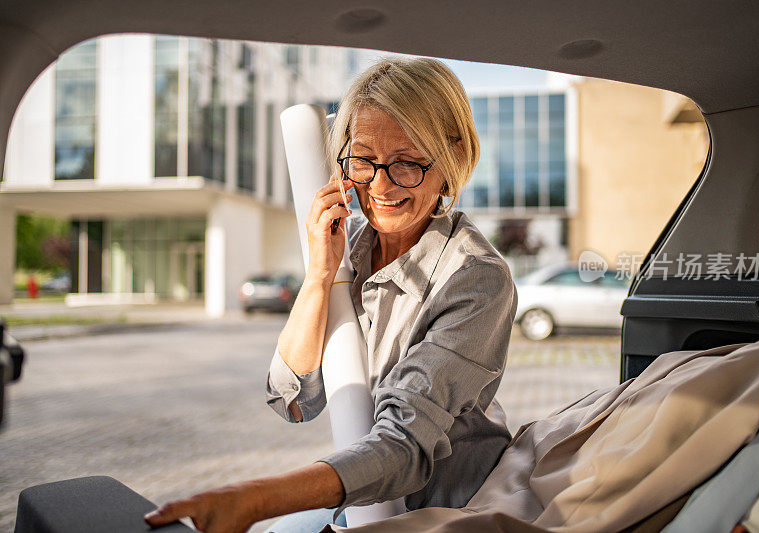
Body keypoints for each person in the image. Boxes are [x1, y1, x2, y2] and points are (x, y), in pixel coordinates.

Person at [144, 57, 517, 533]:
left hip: (446, 512)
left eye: (405, 162)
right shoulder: (346, 249)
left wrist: (258, 498)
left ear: (450, 160)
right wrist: (320, 275)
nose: (380, 186)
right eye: (363, 160)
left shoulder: (476, 278)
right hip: (360, 502)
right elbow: (292, 400)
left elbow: (403, 444)